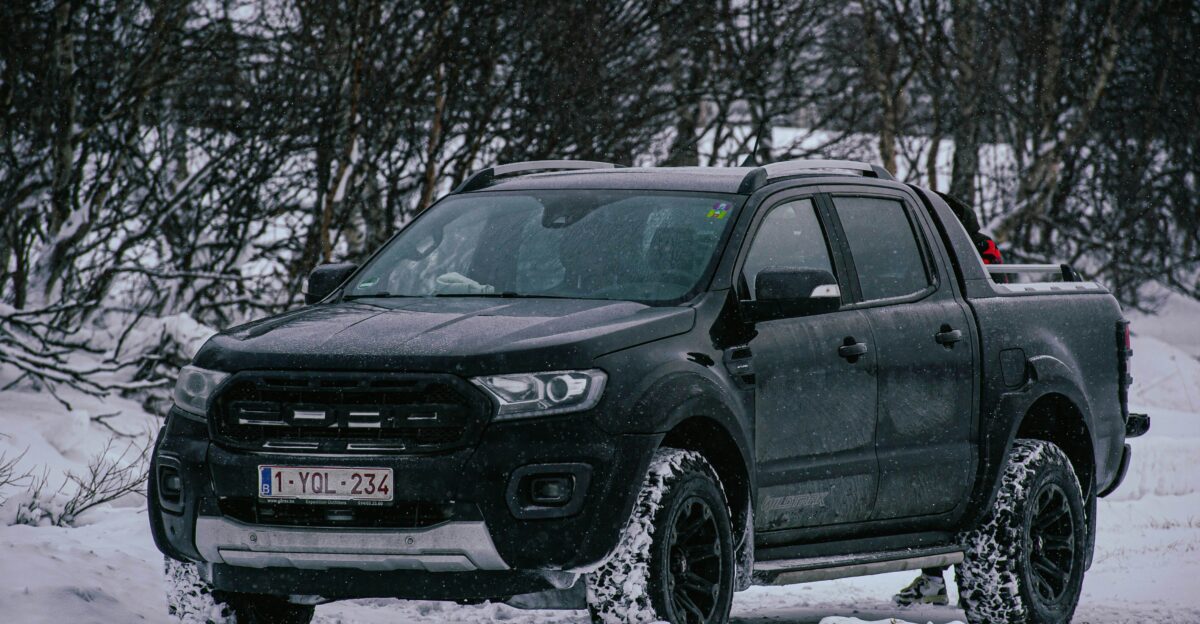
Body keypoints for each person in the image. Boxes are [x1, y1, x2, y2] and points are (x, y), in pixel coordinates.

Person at [892, 192, 1001, 608]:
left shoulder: (966, 254)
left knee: (953, 476)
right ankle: (933, 577)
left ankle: (943, 576)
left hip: (959, 379)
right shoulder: (966, 249)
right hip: (951, 376)